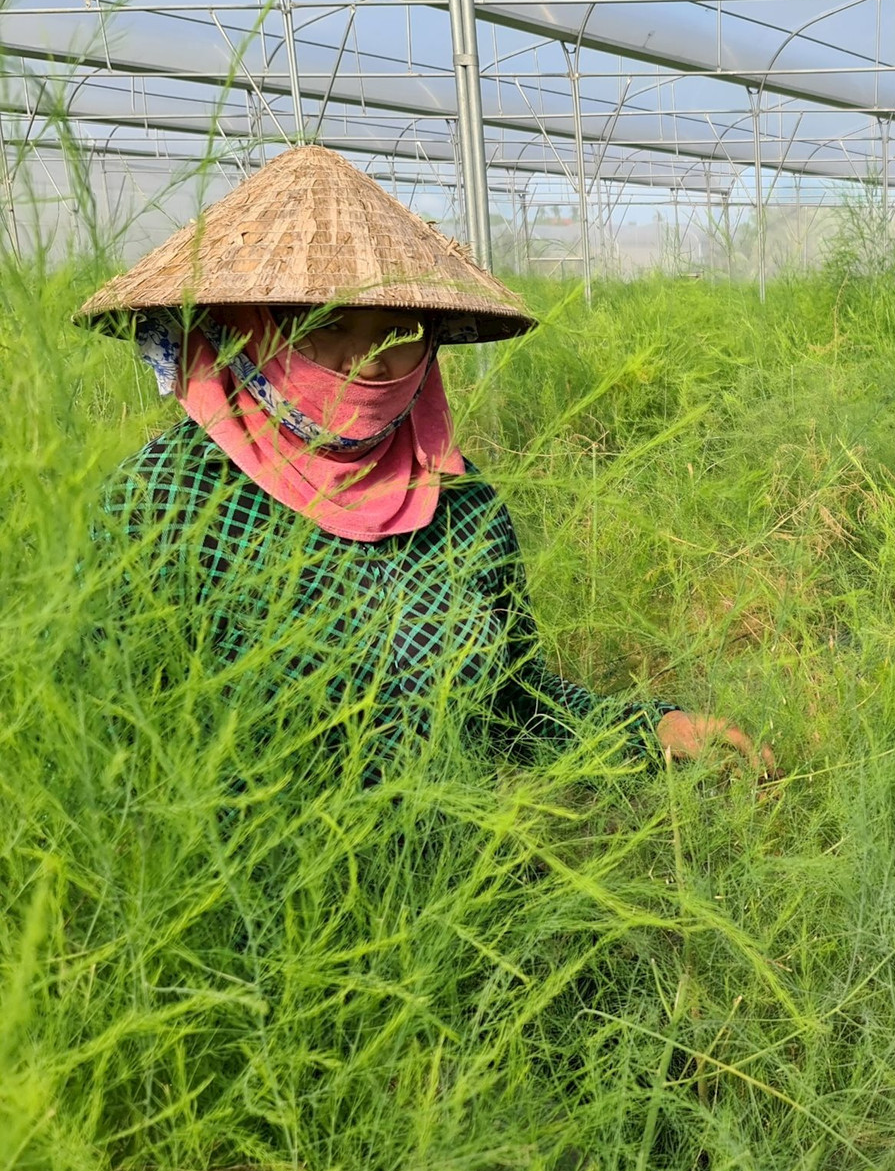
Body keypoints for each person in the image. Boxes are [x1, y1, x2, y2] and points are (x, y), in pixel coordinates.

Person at [82, 144, 772, 779]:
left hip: (453, 893)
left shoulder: (463, 509)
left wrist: (652, 728)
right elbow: (106, 744)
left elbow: (514, 703)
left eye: (401, 332)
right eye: (323, 326)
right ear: (241, 327)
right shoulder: (164, 502)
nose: (368, 362)